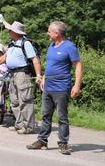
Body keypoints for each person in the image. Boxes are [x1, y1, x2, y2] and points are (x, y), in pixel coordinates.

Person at [27, 21, 82, 155]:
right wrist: (43, 78)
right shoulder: (51, 45)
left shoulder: (69, 47)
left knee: (62, 117)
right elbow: (51, 65)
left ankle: (63, 143)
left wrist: (77, 85)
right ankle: (42, 141)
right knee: (45, 115)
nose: (47, 33)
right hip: (48, 88)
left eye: (49, 31)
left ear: (57, 33)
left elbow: (78, 66)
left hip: (61, 88)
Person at [0, 16, 42, 134]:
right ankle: (19, 124)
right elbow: (4, 58)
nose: (9, 31)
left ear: (16, 32)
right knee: (14, 100)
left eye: (11, 30)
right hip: (11, 74)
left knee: (25, 100)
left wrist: (38, 75)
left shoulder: (25, 44)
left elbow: (35, 59)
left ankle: (28, 127)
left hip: (22, 74)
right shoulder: (12, 44)